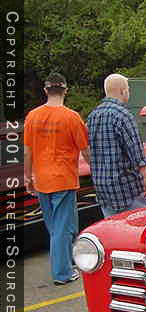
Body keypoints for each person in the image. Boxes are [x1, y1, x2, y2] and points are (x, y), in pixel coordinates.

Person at [24, 72, 90, 285]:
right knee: (62, 228)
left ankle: (66, 262)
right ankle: (62, 273)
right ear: (65, 91)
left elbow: (28, 152)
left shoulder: (32, 116)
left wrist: (28, 177)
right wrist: (95, 169)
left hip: (42, 180)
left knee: (57, 227)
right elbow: (85, 150)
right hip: (63, 179)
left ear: (46, 90)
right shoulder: (72, 117)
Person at [87, 73, 146, 218]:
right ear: (123, 91)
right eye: (128, 88)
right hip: (127, 188)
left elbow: (89, 149)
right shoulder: (123, 115)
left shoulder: (92, 116)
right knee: (142, 224)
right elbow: (136, 152)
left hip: (103, 189)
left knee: (113, 228)